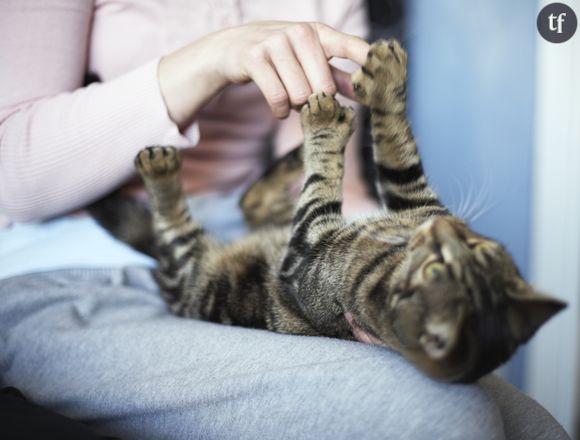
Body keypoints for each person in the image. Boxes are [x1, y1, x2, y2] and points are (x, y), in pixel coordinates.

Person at [0, 1, 569, 439]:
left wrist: (382, 268)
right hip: (73, 270)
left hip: (257, 263)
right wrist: (210, 58)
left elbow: (327, 185)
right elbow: (12, 174)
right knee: (439, 417)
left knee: (531, 426)